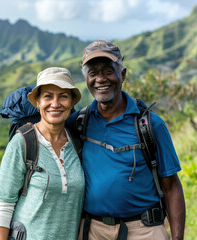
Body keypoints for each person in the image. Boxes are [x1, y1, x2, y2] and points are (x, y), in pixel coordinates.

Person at [70, 40, 185, 240]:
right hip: (92, 230)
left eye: (108, 71)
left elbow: (171, 185)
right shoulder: (79, 122)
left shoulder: (150, 124)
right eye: (93, 73)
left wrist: (177, 238)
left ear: (122, 74)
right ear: (86, 80)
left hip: (144, 230)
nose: (100, 79)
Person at [0, 67, 85, 240]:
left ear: (72, 102)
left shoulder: (77, 143)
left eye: (63, 96)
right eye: (48, 96)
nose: (55, 104)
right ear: (37, 101)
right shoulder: (23, 143)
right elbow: (4, 205)